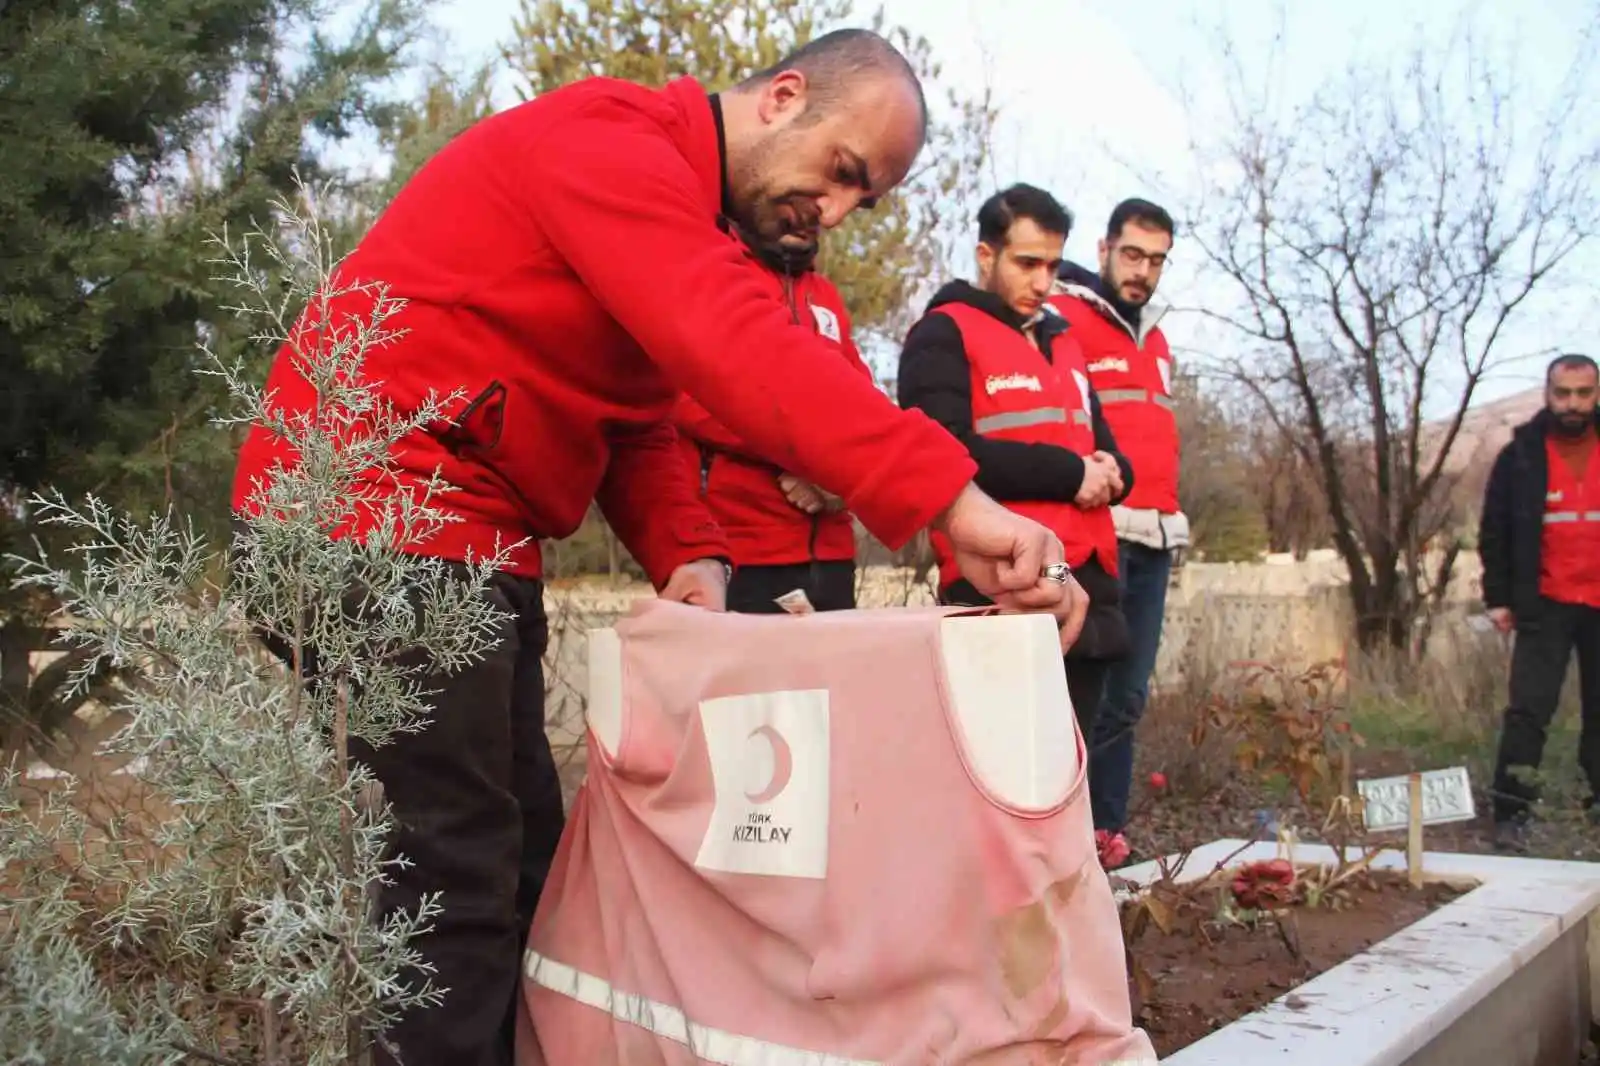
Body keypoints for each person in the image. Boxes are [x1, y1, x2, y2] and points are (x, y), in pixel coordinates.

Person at [230, 29, 1087, 1066]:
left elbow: (637, 416)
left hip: (467, 538)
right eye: (843, 172)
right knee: (453, 873)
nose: (839, 211)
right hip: (369, 516)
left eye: (867, 200)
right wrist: (956, 501)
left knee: (528, 864)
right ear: (780, 99)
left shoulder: (676, 217)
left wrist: (690, 551)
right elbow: (732, 347)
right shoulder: (609, 142)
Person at [897, 182, 1132, 750]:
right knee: (1009, 767)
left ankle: (1091, 844)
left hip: (1092, 585)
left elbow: (1106, 448)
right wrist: (1073, 474)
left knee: (1075, 766)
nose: (1043, 282)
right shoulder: (942, 334)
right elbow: (944, 457)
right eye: (1028, 263)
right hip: (1005, 587)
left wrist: (1117, 472)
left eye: (1052, 265)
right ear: (986, 255)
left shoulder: (1065, 341)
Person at [1050, 198, 1185, 862]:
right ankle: (1059, 836)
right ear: (1105, 248)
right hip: (1096, 533)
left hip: (1157, 536)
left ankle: (1106, 832)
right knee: (1083, 689)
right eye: (1133, 255)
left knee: (1129, 697)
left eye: (1157, 260)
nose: (1143, 271)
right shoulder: (1066, 315)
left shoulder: (1156, 338)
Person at [672, 229, 864, 614]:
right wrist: (803, 455)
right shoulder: (717, 277)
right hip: (744, 550)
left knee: (837, 674)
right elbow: (686, 394)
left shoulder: (824, 295)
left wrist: (841, 476)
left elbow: (862, 400)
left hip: (832, 554)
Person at [1480, 352, 1600, 852]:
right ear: (1547, 393)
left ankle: (1595, 808)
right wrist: (1499, 598)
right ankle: (1511, 813)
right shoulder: (1521, 455)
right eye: (1562, 393)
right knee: (1528, 712)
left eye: (1583, 393)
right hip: (1544, 603)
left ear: (1596, 394)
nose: (1573, 404)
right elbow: (1495, 530)